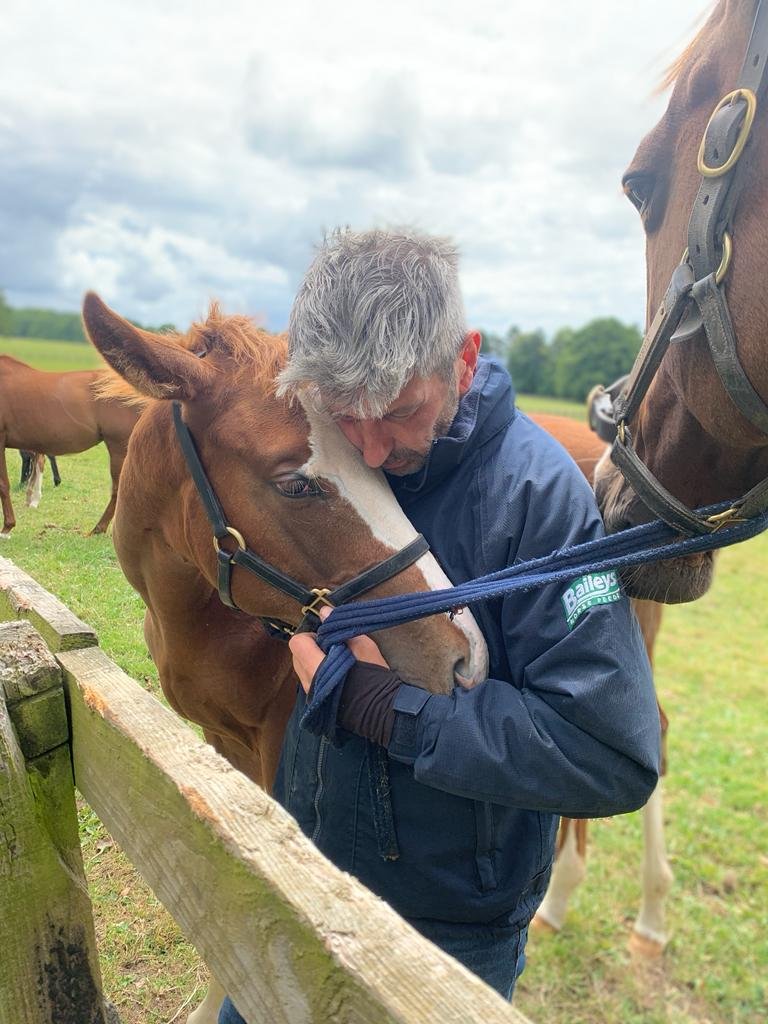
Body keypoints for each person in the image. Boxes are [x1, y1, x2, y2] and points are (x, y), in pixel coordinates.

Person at [218, 229, 659, 1022]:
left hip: (447, 929)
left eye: (400, 412)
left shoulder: (544, 504)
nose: (373, 448)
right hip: (300, 871)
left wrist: (383, 709)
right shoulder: (329, 462)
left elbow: (610, 756)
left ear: (464, 358)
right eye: (344, 415)